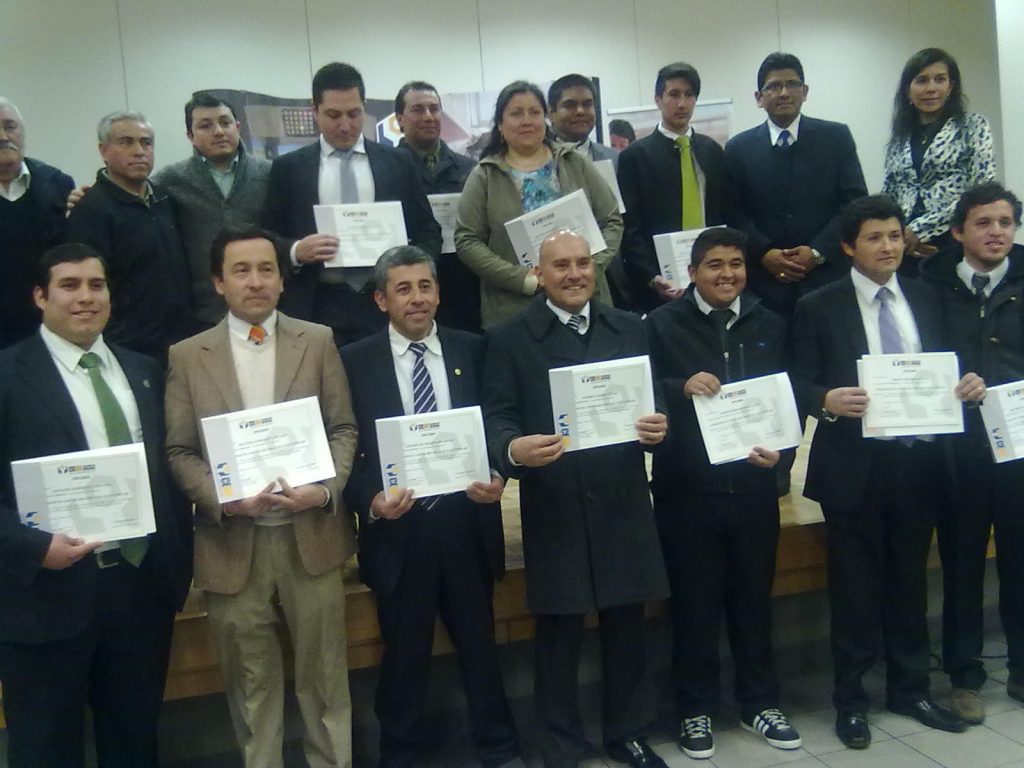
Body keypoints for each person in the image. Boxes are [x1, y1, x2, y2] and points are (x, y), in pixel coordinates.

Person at [789, 195, 983, 749]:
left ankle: (910, 688)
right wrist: (826, 397)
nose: (889, 247)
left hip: (920, 462)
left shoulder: (929, 297)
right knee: (853, 590)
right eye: (875, 237)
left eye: (896, 236)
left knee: (908, 584)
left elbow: (957, 365)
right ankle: (851, 701)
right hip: (854, 466)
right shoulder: (818, 305)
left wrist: (968, 386)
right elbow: (797, 381)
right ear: (849, 246)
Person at [165, 228, 358, 768]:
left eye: (266, 269)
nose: (256, 281)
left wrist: (323, 490)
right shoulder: (187, 355)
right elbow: (179, 449)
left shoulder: (317, 340)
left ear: (281, 278)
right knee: (252, 688)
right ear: (218, 282)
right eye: (242, 270)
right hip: (232, 544)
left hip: (311, 540)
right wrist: (224, 500)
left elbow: (343, 428)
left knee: (324, 680)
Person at [0, 243, 192, 767]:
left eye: (97, 284)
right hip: (46, 594)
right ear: (40, 296)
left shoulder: (143, 370)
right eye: (69, 285)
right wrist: (34, 547)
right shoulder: (7, 375)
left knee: (134, 741)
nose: (85, 297)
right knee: (45, 748)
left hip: (138, 589)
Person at [483, 230, 670, 768]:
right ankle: (559, 743)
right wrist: (511, 448)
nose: (574, 274)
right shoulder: (511, 337)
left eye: (583, 263)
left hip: (622, 498)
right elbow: (498, 417)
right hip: (556, 503)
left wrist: (660, 425)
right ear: (538, 274)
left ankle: (629, 732)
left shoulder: (630, 328)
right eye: (559, 265)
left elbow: (652, 403)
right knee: (559, 632)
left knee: (627, 624)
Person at [340, 245, 524, 768]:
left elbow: (498, 423)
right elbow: (343, 444)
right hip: (398, 532)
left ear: (439, 292)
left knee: (481, 649)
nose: (416, 298)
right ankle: (399, 756)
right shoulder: (354, 361)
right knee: (404, 657)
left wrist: (499, 471)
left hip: (467, 523)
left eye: (425, 286)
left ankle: (499, 748)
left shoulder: (474, 349)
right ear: (381, 299)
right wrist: (369, 501)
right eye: (403, 289)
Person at [645, 227, 801, 759]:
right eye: (714, 264)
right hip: (686, 493)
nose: (727, 274)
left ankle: (760, 701)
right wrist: (677, 389)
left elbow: (787, 403)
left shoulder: (770, 324)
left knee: (753, 602)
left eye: (736, 263)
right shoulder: (661, 326)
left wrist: (782, 459)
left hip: (754, 490)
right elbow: (639, 396)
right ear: (691, 273)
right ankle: (694, 709)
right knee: (693, 606)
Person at [918, 182, 1024, 722]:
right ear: (959, 231)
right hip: (956, 450)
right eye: (984, 223)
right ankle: (963, 675)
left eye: (1006, 222)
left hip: (1020, 451)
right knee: (960, 562)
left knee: (1021, 560)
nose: (997, 233)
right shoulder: (928, 286)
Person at [262, 62, 441, 346]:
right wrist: (296, 250)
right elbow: (265, 236)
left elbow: (428, 230)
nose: (345, 125)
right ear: (314, 111)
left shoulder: (397, 162)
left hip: (385, 301)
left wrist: (412, 267)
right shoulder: (288, 168)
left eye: (354, 114)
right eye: (333, 115)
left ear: (364, 107)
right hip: (317, 302)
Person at [455, 81, 622, 328]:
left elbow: (612, 220)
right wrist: (523, 279)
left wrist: (586, 268)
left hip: (585, 299)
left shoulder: (574, 161)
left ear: (546, 119)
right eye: (516, 113)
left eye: (535, 112)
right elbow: (467, 240)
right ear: (500, 124)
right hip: (515, 307)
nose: (527, 120)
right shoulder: (484, 175)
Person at [725, 52, 867, 319]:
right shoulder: (737, 149)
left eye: (792, 84)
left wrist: (817, 252)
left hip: (827, 279)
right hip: (764, 286)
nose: (784, 93)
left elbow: (854, 204)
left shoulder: (836, 138)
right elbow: (733, 212)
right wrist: (764, 253)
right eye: (774, 86)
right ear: (759, 97)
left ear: (805, 91)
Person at [66, 110, 191, 364]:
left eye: (146, 143)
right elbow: (89, 283)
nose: (139, 151)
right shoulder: (91, 210)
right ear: (104, 150)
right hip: (130, 347)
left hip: (181, 340)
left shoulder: (164, 199)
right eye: (126, 142)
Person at [618, 62, 730, 312]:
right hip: (659, 284)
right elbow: (631, 228)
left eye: (689, 95)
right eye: (674, 94)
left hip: (712, 276)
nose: (682, 104)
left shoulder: (712, 151)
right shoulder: (635, 156)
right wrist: (650, 275)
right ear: (658, 99)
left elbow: (724, 213)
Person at [155, 93, 272, 329]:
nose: (218, 131)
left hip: (264, 302)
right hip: (202, 310)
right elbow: (134, 195)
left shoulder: (270, 173)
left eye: (225, 122)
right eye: (205, 126)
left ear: (237, 127)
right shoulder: (170, 180)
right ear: (191, 136)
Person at [882, 48, 995, 273]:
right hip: (904, 245)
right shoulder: (900, 137)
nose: (931, 88)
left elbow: (981, 190)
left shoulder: (973, 126)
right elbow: (889, 193)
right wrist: (897, 233)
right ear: (908, 90)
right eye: (922, 80)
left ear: (951, 87)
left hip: (953, 237)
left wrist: (921, 229)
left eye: (940, 80)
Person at [393, 80, 481, 333]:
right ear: (400, 119)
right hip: (410, 288)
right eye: (418, 110)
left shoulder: (469, 169)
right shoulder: (387, 168)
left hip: (463, 283)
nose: (429, 117)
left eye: (434, 109)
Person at [0, 97, 75, 349]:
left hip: (49, 328)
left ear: (22, 132)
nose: (3, 136)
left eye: (10, 126)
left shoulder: (58, 185)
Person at [547, 73, 619, 168]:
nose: (580, 111)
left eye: (587, 104)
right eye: (570, 105)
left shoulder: (615, 158)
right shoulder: (536, 160)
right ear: (551, 113)